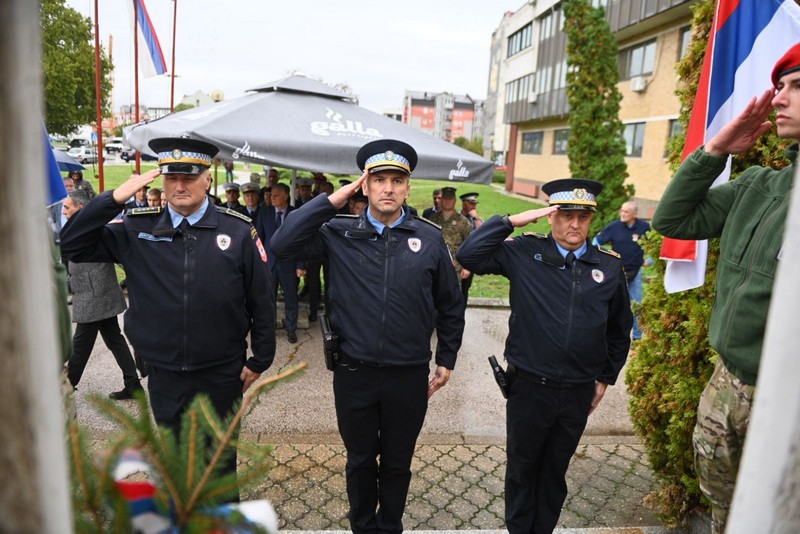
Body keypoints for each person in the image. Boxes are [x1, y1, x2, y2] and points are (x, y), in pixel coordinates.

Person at [271, 138, 464, 534]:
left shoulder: (428, 240)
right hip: (354, 372)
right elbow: (282, 244)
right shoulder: (338, 233)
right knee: (360, 460)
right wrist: (331, 200)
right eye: (379, 180)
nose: (388, 188)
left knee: (397, 461)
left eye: (397, 180)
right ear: (366, 186)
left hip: (407, 374)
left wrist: (446, 357)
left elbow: (450, 304)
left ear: (409, 188)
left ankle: (390, 525)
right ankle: (363, 526)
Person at [60, 137, 275, 480]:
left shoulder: (236, 230)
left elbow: (261, 298)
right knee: (175, 466)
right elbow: (72, 244)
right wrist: (113, 199)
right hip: (163, 373)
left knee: (219, 467)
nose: (179, 186)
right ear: (161, 180)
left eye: (189, 177)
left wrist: (260, 358)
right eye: (171, 177)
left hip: (220, 372)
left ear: (208, 177)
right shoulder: (137, 227)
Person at [650, 44, 800, 534]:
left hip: (787, 402)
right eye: (779, 87)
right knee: (726, 513)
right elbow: (671, 219)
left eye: (796, 87)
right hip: (725, 386)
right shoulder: (760, 184)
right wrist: (714, 151)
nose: (778, 99)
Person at [457, 178, 632, 534]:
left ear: (591, 220)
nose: (574, 224)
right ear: (551, 216)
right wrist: (510, 221)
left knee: (554, 472)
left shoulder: (609, 267)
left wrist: (605, 378)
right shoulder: (524, 253)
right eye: (566, 215)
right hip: (528, 387)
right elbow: (468, 255)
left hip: (577, 391)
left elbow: (618, 329)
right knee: (522, 470)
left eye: (583, 217)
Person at [62, 189, 143, 400]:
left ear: (80, 209)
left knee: (80, 346)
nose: (63, 212)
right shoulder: (78, 228)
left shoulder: (91, 228)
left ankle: (65, 389)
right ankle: (133, 383)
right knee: (114, 339)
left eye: (67, 208)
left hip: (94, 296)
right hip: (95, 293)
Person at [593, 201, 650, 340]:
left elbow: (655, 243)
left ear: (635, 214)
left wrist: (651, 260)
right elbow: (596, 242)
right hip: (616, 273)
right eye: (622, 211)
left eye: (626, 212)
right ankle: (606, 335)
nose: (622, 214)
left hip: (636, 273)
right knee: (611, 305)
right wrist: (605, 257)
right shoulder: (614, 227)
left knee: (637, 306)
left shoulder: (644, 227)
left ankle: (637, 337)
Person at [256, 183, 304, 343]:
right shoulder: (265, 212)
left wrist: (300, 264)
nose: (272, 197)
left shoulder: (295, 213)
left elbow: (300, 240)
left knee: (291, 297)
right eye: (271, 195)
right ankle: (271, 329)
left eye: (276, 195)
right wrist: (259, 262)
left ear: (285, 196)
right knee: (269, 298)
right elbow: (259, 239)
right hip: (269, 264)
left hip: (289, 264)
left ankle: (291, 329)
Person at [428, 187, 472, 298]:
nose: (447, 201)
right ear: (441, 200)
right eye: (445, 198)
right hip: (435, 265)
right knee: (434, 297)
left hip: (455, 268)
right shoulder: (432, 219)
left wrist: (467, 267)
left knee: (453, 297)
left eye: (450, 199)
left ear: (455, 201)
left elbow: (470, 245)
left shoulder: (463, 221)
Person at [458, 191, 483, 299]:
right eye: (471, 203)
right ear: (464, 203)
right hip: (452, 261)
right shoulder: (456, 217)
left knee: (463, 293)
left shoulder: (476, 220)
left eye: (475, 203)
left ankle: (460, 315)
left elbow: (483, 234)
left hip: (468, 262)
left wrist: (475, 218)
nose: (474, 206)